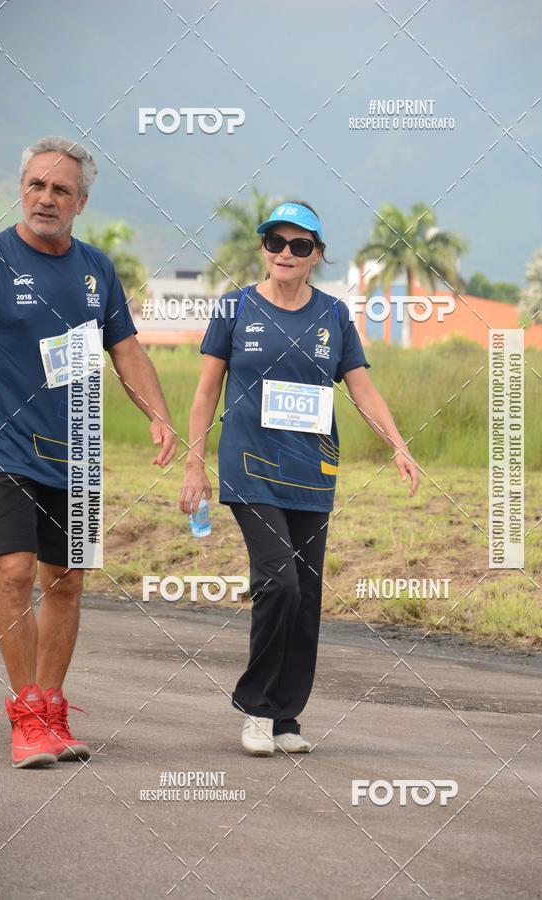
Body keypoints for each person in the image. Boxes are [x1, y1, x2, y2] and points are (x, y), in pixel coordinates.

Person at [179, 200, 419, 756]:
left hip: (312, 472)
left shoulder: (334, 315)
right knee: (279, 582)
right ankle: (255, 707)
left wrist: (399, 446)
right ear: (264, 248)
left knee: (306, 594)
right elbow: (205, 391)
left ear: (316, 254)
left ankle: (286, 716)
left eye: (300, 245)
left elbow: (360, 388)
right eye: (275, 243)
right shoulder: (233, 308)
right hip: (250, 468)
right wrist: (195, 462)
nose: (286, 254)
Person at [0, 136, 177, 768]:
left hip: (75, 452)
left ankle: (51, 705)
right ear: (21, 189)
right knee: (14, 571)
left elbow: (124, 350)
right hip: (5, 453)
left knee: (66, 582)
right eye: (37, 186)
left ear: (81, 201)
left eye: (61, 190)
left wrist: (157, 414)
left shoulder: (97, 270)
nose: (47, 198)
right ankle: (24, 715)